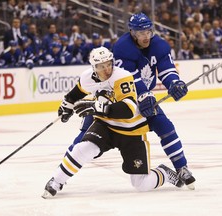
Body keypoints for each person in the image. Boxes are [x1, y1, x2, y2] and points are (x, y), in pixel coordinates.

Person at [71, 13, 196, 189]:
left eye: (148, 31)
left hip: (142, 101)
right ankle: (61, 174)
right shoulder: (123, 47)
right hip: (116, 101)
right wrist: (144, 95)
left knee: (165, 126)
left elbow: (167, 69)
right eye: (141, 32)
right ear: (132, 32)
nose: (146, 36)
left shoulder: (159, 45)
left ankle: (181, 168)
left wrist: (174, 83)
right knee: (85, 135)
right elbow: (130, 79)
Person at [42, 47, 184, 198]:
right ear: (94, 68)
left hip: (132, 129)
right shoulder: (87, 77)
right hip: (106, 125)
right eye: (102, 66)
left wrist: (97, 106)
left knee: (141, 184)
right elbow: (75, 94)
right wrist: (67, 105)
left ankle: (164, 173)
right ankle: (56, 181)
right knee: (84, 148)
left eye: (109, 64)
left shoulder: (122, 76)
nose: (107, 69)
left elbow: (128, 109)